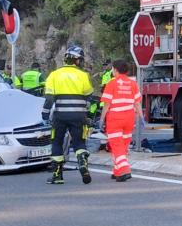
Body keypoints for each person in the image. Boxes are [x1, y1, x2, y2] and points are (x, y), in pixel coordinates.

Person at [43, 43, 94, 185]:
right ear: (77, 60)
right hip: (79, 116)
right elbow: (89, 97)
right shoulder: (84, 75)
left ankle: (57, 176)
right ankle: (82, 162)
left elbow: (48, 99)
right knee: (79, 142)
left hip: (60, 116)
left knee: (57, 143)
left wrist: (44, 115)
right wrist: (88, 116)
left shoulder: (54, 75)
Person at [99, 59, 138, 182]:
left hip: (115, 119)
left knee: (116, 145)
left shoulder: (112, 83)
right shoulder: (132, 83)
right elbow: (137, 103)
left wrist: (101, 119)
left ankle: (124, 169)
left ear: (115, 70)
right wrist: (141, 117)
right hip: (129, 119)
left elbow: (106, 104)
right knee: (123, 145)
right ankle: (117, 171)